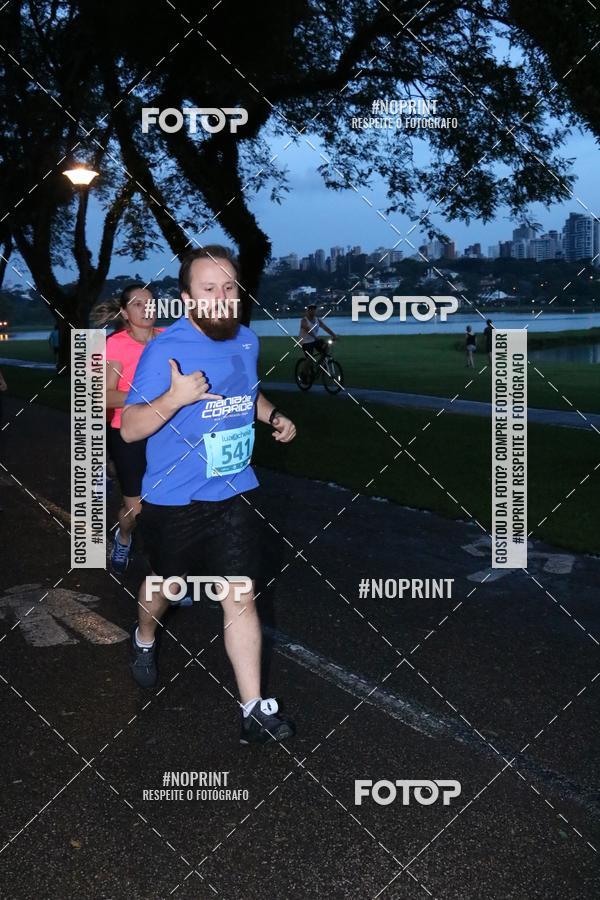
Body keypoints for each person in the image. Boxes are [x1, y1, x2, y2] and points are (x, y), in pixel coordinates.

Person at [121, 245, 297, 745]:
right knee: (167, 586)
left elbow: (247, 392)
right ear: (187, 298)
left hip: (233, 490)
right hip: (174, 499)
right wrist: (175, 397)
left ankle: (252, 711)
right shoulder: (168, 351)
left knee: (239, 593)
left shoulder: (246, 339)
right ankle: (144, 637)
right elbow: (130, 427)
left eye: (228, 287)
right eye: (208, 289)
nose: (221, 297)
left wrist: (272, 415)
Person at [92, 285, 162, 574]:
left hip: (165, 433)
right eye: (137, 304)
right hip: (127, 433)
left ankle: (167, 573)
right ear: (124, 312)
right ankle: (123, 537)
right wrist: (148, 396)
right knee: (136, 510)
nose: (146, 308)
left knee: (170, 505)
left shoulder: (168, 339)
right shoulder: (116, 345)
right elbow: (103, 397)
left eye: (150, 303)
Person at [298, 303, 337, 380]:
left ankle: (319, 364)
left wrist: (334, 335)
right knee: (310, 358)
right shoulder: (304, 320)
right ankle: (303, 374)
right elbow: (308, 330)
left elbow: (325, 328)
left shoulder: (317, 320)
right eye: (311, 310)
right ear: (308, 311)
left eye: (314, 310)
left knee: (326, 348)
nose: (313, 311)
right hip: (305, 341)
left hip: (314, 340)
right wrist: (315, 337)